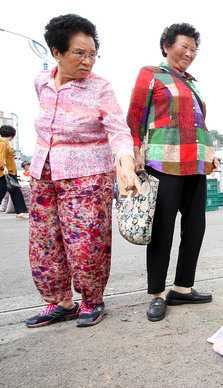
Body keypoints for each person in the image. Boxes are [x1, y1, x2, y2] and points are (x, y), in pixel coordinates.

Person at [25, 14, 141, 329]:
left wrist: (126, 164)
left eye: (92, 54)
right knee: (45, 242)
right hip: (44, 174)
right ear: (56, 52)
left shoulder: (100, 88)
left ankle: (92, 300)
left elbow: (119, 131)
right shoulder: (41, 82)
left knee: (86, 243)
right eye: (79, 53)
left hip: (87, 177)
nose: (88, 61)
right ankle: (60, 301)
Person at [127, 22, 219, 322]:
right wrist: (135, 154)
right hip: (163, 162)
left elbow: (198, 123)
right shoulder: (150, 74)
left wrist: (211, 153)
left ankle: (182, 287)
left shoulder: (190, 82)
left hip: (196, 163)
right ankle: (157, 294)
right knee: (162, 230)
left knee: (195, 228)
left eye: (194, 49)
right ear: (167, 46)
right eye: (184, 47)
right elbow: (134, 118)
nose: (190, 54)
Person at [0, 125, 29, 220]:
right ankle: (20, 212)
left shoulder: (4, 144)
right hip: (6, 173)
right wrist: (3, 167)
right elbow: (1, 157)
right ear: (12, 135)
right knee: (2, 192)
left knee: (16, 192)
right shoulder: (2, 144)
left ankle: (20, 212)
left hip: (10, 172)